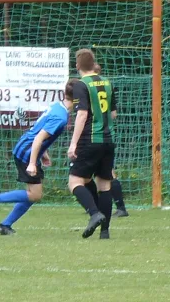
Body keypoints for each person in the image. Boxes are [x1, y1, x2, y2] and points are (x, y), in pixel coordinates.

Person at [0, 79, 78, 235]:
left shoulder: (57, 106)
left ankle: (5, 225)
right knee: (35, 194)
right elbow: (39, 138)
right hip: (27, 153)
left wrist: (43, 153)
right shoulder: (61, 117)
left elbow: (39, 131)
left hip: (26, 149)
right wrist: (33, 162)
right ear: (78, 98)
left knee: (33, 195)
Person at [67, 49, 117, 239]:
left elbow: (81, 114)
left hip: (90, 140)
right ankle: (105, 232)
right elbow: (113, 114)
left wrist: (73, 144)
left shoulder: (81, 85)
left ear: (78, 65)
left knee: (75, 181)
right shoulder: (107, 83)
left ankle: (94, 213)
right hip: (108, 140)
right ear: (94, 63)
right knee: (104, 185)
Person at [84, 63, 129, 218]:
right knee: (104, 174)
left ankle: (105, 208)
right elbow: (113, 114)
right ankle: (102, 207)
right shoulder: (108, 87)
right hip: (107, 135)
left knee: (101, 175)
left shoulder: (88, 89)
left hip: (96, 136)